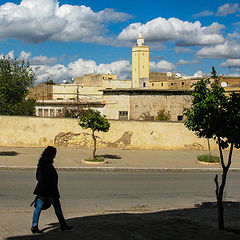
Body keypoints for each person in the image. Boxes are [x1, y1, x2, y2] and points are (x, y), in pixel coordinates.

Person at [31, 146, 73, 234]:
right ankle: (63, 225)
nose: (55, 156)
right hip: (49, 190)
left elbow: (38, 177)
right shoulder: (46, 164)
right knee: (57, 207)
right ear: (51, 154)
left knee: (38, 208)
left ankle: (34, 226)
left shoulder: (42, 162)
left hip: (43, 190)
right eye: (54, 154)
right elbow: (42, 177)